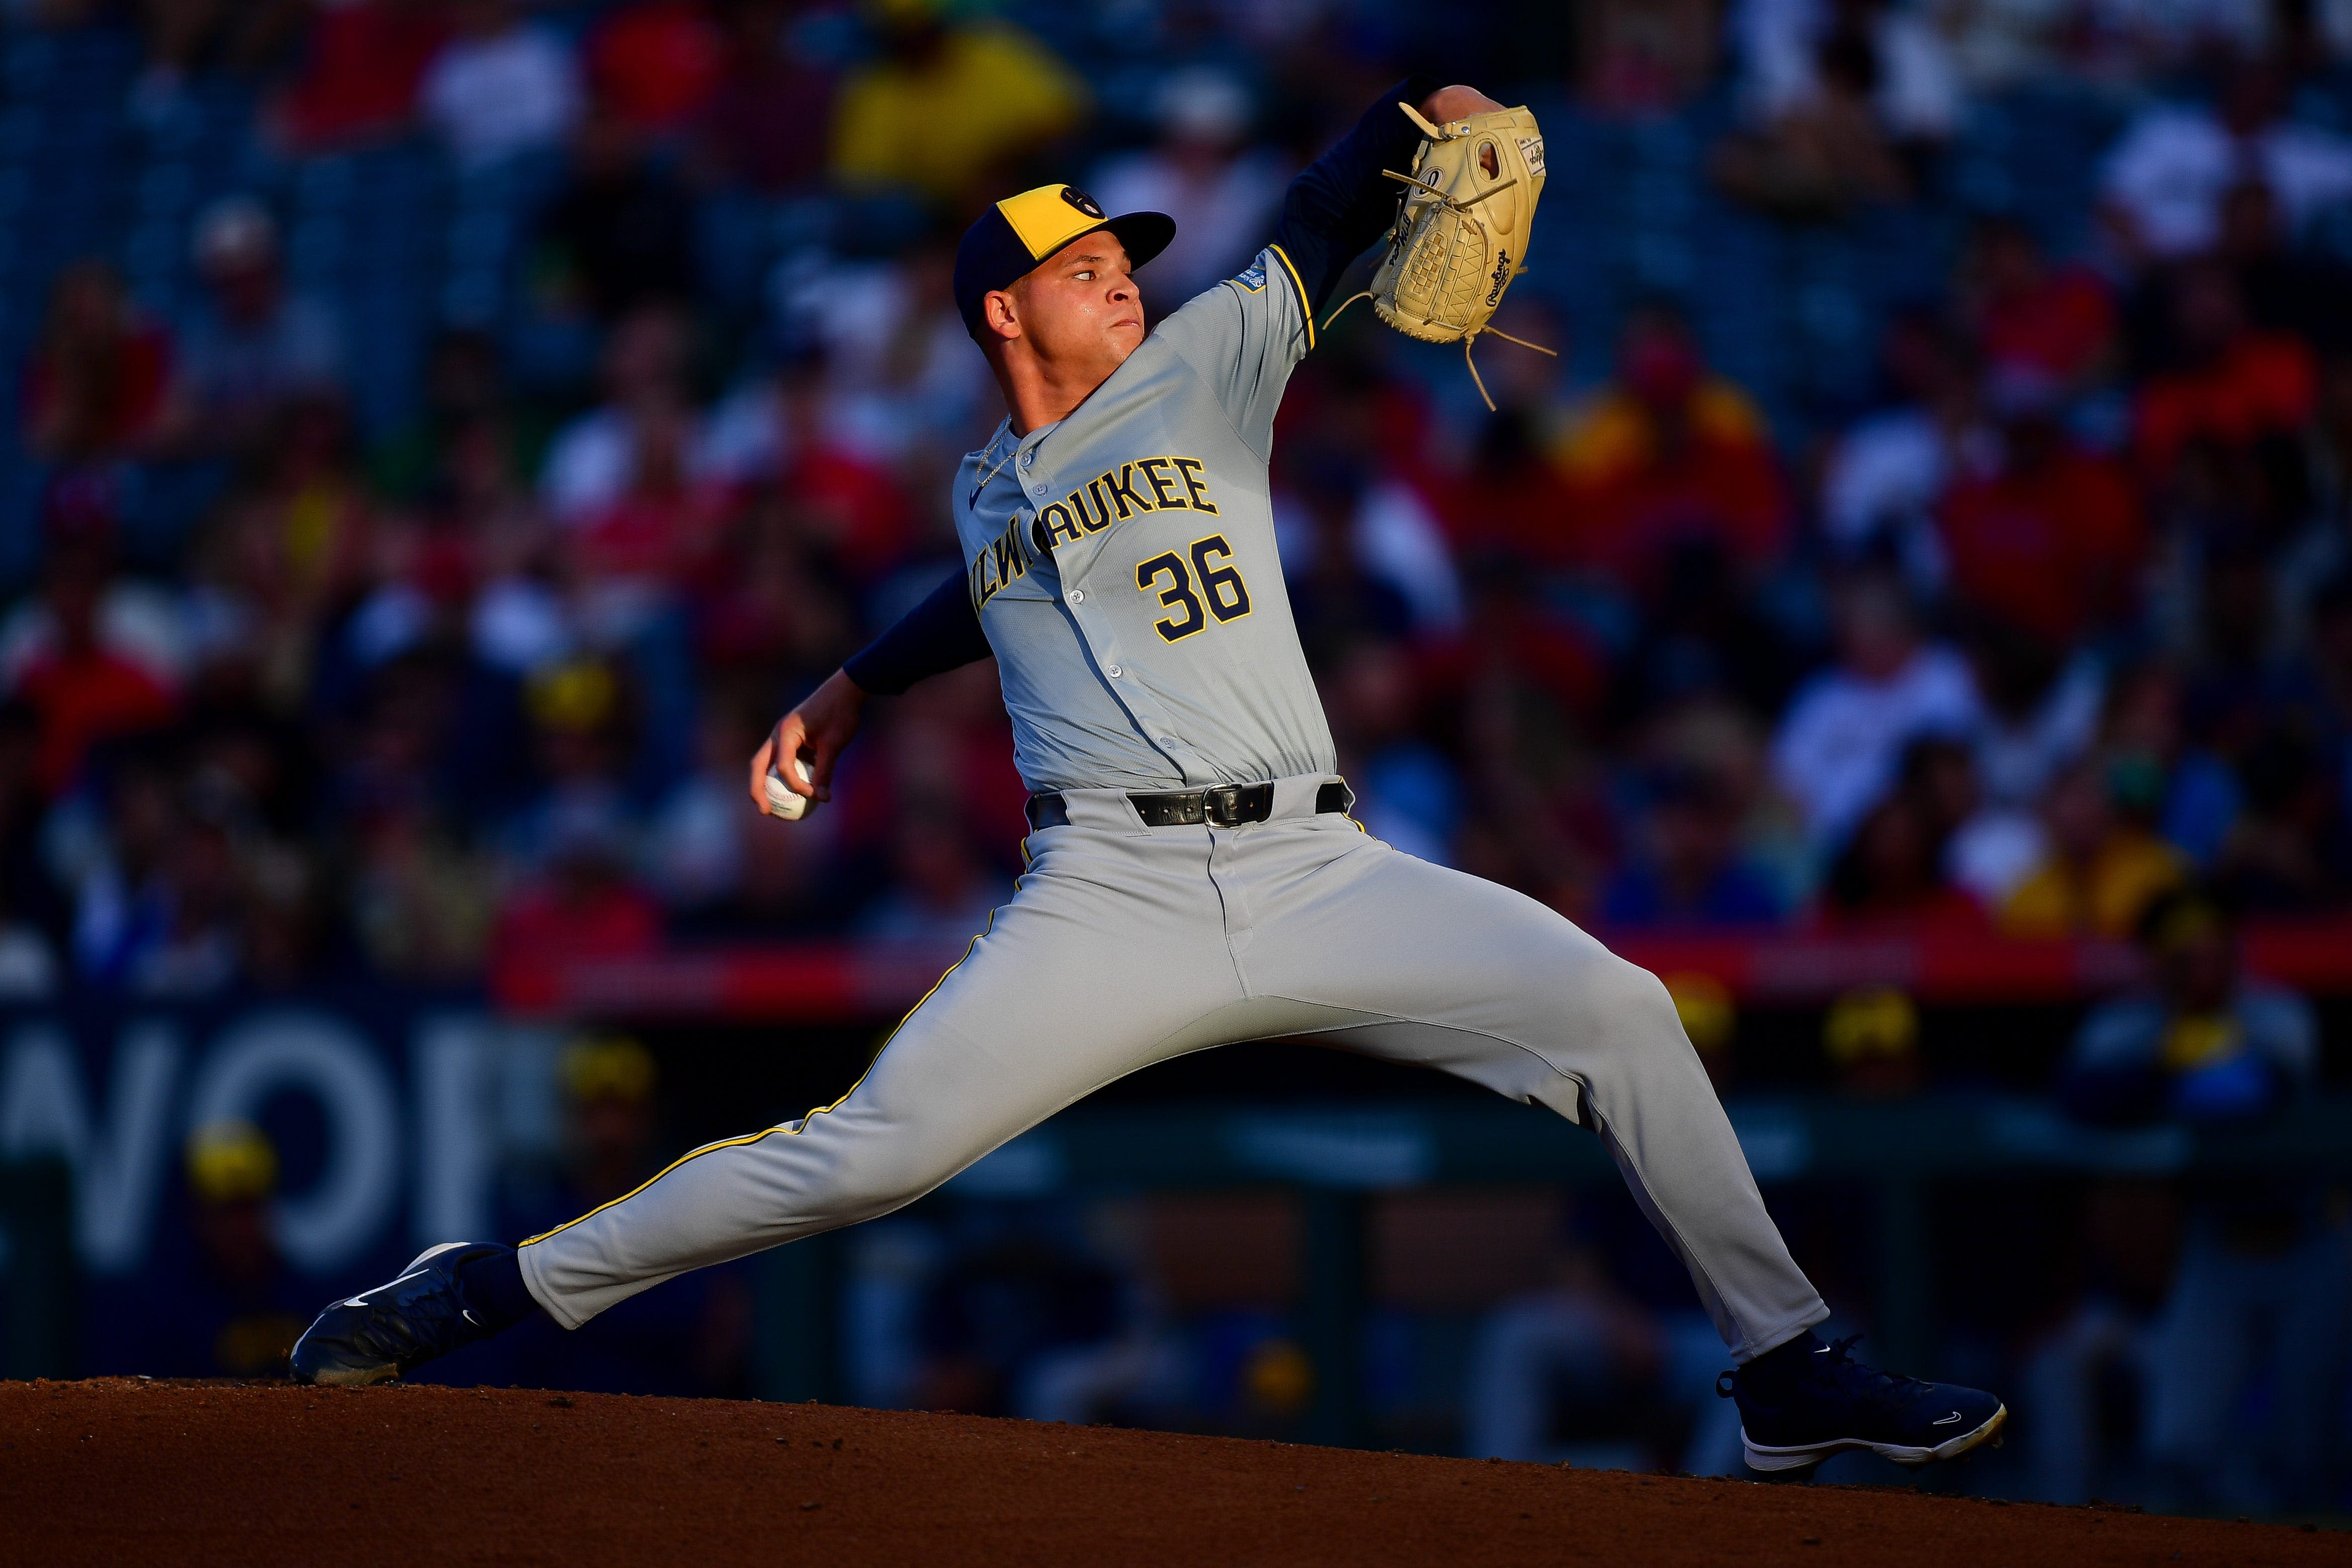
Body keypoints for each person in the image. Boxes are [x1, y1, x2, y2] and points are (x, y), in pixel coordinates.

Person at [290, 77, 2005, 1478]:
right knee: (871, 1156)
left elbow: (1325, 220)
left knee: (1624, 1011)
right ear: (1001, 306)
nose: (1121, 270)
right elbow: (988, 587)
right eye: (1085, 259)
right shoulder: (981, 484)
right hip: (1105, 898)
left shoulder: (1204, 364)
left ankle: (1788, 1360)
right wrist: (843, 692)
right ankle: (497, 1284)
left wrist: (1422, 118)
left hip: (1322, 873)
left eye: (1126, 252)